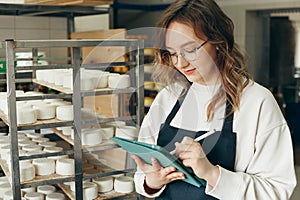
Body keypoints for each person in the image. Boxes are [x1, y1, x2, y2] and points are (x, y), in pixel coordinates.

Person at [131, 0, 297, 199]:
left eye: (191, 49)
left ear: (218, 42)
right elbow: (143, 175)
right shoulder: (168, 98)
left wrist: (212, 173)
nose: (181, 63)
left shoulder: (257, 102)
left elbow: (277, 191)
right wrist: (152, 182)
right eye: (173, 54)